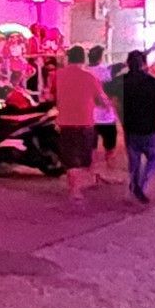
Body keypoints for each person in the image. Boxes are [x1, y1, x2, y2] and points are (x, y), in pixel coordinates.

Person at [50, 44, 104, 203]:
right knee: (84, 157)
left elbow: (52, 95)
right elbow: (100, 100)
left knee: (70, 158)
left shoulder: (57, 75)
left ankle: (75, 189)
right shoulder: (90, 77)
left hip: (65, 122)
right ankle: (80, 186)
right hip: (85, 122)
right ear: (83, 59)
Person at [119, 48, 155, 202]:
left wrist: (122, 121)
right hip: (149, 127)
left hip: (131, 128)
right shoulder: (153, 82)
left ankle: (134, 184)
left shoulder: (122, 82)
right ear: (144, 64)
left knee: (134, 161)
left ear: (128, 63)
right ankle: (142, 184)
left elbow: (116, 104)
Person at [88, 44, 121, 181]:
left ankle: (93, 176)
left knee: (92, 149)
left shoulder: (85, 71)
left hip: (90, 116)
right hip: (106, 116)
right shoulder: (104, 71)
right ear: (101, 57)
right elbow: (109, 91)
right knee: (110, 148)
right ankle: (110, 174)